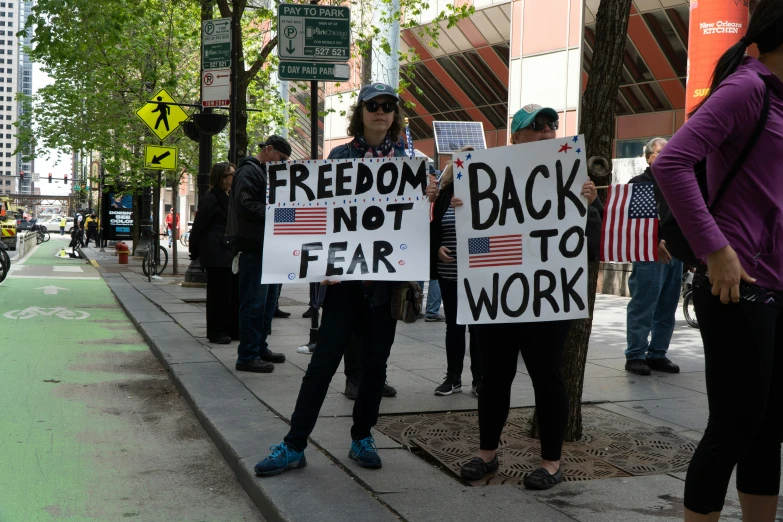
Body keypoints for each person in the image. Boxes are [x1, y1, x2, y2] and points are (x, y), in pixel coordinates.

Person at [652, 4, 783, 519]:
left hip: (777, 288)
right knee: (734, 426)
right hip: (738, 286)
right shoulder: (748, 87)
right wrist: (715, 249)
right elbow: (674, 161)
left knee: (769, 429)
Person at [254, 83, 404, 476]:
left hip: (384, 289)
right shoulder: (338, 158)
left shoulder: (411, 162)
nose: (381, 112)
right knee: (321, 366)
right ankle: (294, 444)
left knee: (374, 368)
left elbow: (425, 225)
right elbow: (316, 219)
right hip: (343, 287)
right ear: (361, 111)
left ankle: (362, 437)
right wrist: (321, 265)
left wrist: (440, 197)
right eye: (374, 105)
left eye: (389, 106)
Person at [457, 104, 603, 490]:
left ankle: (551, 463)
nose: (546, 131)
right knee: (493, 379)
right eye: (535, 127)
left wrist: (588, 207)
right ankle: (487, 454)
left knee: (547, 378)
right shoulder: (482, 177)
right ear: (515, 137)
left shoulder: (575, 180)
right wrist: (458, 207)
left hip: (547, 298)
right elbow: (469, 238)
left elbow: (588, 245)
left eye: (551, 126)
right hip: (499, 297)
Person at [225, 136, 291, 373]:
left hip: (265, 247)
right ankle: (248, 354)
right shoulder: (249, 172)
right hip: (254, 247)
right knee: (255, 302)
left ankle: (258, 347)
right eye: (281, 159)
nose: (282, 164)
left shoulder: (260, 172)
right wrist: (282, 214)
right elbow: (246, 205)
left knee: (266, 303)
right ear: (269, 150)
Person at [624, 138, 682, 376]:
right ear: (648, 157)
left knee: (667, 307)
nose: (665, 155)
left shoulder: (679, 182)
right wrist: (654, 241)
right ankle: (636, 355)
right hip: (650, 253)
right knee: (643, 305)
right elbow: (632, 224)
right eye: (659, 152)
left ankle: (658, 353)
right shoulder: (639, 183)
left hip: (676, 253)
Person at [427, 152, 482, 397]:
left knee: (478, 328)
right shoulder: (443, 198)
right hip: (449, 274)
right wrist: (437, 248)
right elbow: (432, 229)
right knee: (454, 326)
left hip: (479, 274)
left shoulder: (486, 195)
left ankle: (479, 379)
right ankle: (453, 377)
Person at [190, 162, 239, 344]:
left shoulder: (226, 196)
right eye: (232, 174)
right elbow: (199, 226)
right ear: (222, 178)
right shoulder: (211, 199)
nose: (234, 177)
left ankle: (230, 329)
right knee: (218, 294)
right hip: (216, 252)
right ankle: (217, 332)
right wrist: (194, 251)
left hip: (225, 251)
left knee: (229, 292)